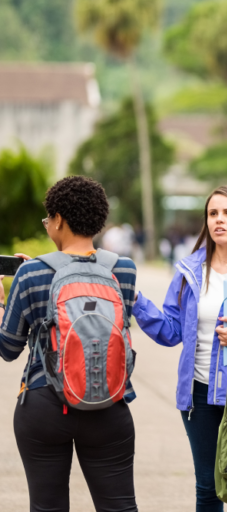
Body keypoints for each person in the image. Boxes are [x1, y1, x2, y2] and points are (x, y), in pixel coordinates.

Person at [132, 185, 227, 512]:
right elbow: (171, 331)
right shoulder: (189, 271)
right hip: (199, 395)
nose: (219, 220)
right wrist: (136, 301)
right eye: (213, 213)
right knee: (207, 489)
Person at [0, 176, 139, 512]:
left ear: (59, 219)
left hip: (44, 404)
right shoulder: (124, 269)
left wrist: (7, 300)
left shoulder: (30, 273)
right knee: (119, 506)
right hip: (109, 400)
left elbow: (8, 348)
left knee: (47, 507)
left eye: (48, 219)